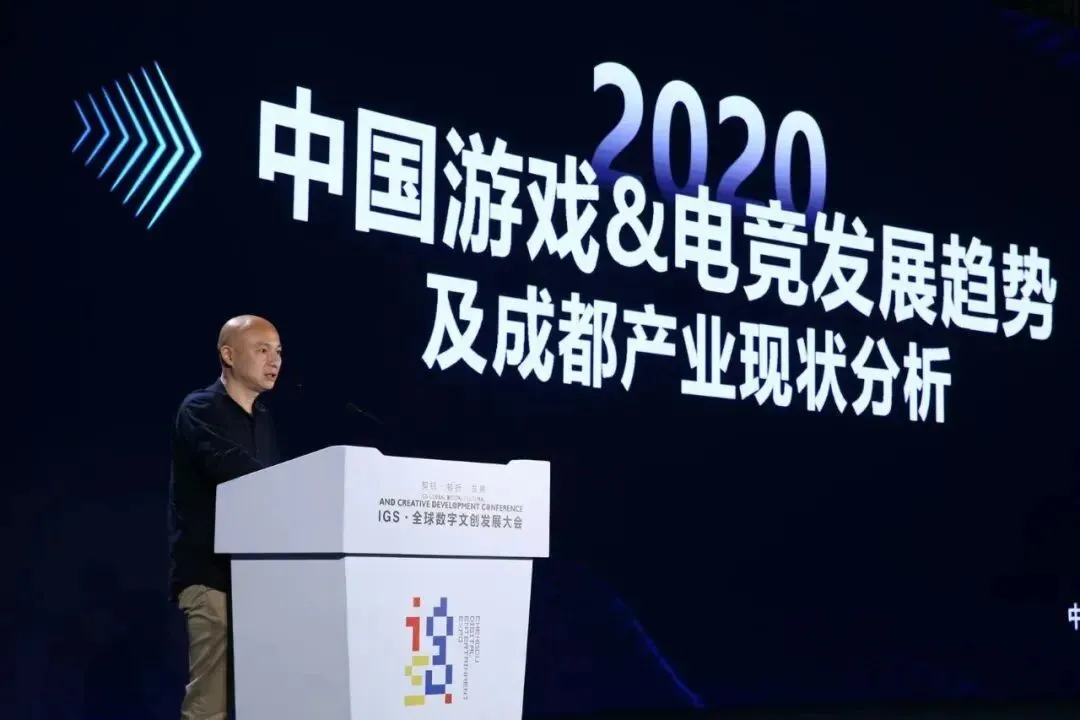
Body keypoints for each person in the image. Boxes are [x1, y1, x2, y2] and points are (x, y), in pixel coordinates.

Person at [169, 315, 283, 720]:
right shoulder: (200, 408)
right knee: (210, 703)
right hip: (211, 576)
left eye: (278, 351)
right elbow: (233, 470)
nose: (274, 360)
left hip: (259, 576)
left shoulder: (263, 420)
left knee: (266, 695)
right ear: (229, 355)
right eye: (262, 349)